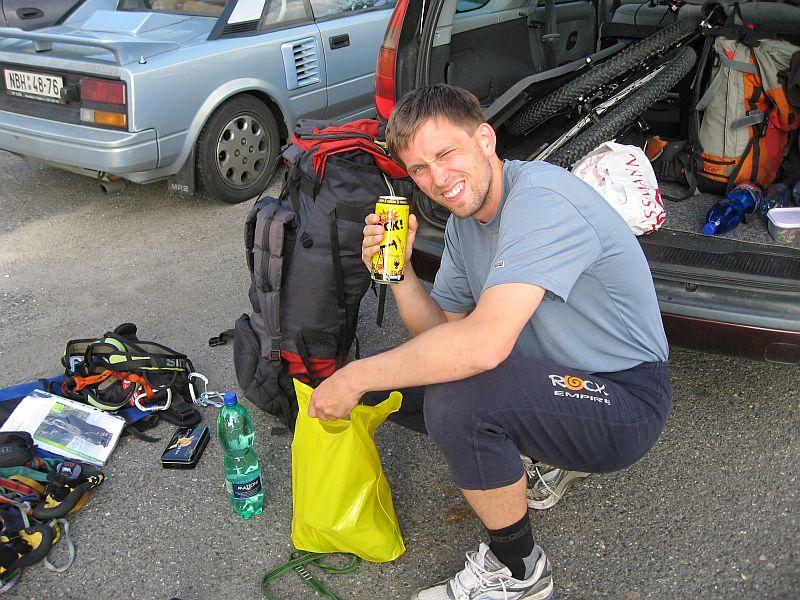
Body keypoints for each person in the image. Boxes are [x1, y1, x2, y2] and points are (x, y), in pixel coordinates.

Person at [308, 84, 672, 600]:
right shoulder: (466, 222)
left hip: (625, 399)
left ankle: (520, 571)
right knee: (397, 388)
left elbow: (481, 348)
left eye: (446, 153)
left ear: (484, 139)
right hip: (552, 376)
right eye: (420, 169)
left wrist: (354, 375)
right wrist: (401, 274)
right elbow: (443, 336)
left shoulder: (542, 201)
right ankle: (541, 450)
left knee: (459, 401)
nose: (438, 179)